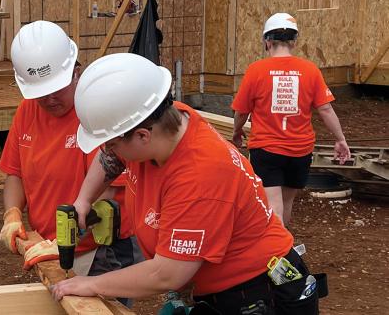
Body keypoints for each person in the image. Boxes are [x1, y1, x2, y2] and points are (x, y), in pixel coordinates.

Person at [51, 53, 325, 314]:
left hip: (257, 294)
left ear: (143, 136)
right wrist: (84, 199)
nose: (110, 151)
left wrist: (91, 283)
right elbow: (111, 156)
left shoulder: (200, 176)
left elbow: (166, 274)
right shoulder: (165, 118)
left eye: (111, 144)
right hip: (222, 290)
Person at [0, 21, 136, 305]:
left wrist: (66, 240)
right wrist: (12, 213)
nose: (49, 98)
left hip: (100, 250)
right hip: (49, 247)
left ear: (76, 70)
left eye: (57, 88)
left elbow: (109, 192)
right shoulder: (27, 112)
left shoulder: (97, 110)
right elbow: (15, 173)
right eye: (39, 92)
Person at [232, 12, 350, 226]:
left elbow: (241, 112)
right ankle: (284, 248)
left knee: (272, 205)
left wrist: (236, 131)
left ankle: (275, 253)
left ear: (267, 41)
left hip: (266, 150)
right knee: (286, 203)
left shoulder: (256, 71)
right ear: (294, 42)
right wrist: (340, 139)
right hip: (300, 151)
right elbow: (326, 110)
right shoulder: (310, 70)